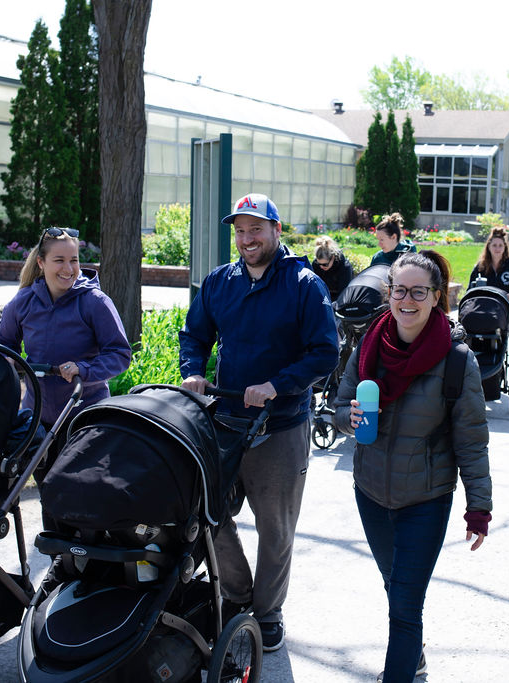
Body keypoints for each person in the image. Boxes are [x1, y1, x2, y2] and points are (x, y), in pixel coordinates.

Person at [179, 193, 339, 652]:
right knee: (209, 514)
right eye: (240, 231)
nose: (246, 239)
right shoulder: (220, 282)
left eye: (255, 229)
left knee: (276, 529)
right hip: (225, 421)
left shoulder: (304, 285)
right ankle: (236, 595)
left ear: (275, 229)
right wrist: (193, 368)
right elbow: (195, 333)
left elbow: (324, 353)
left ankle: (267, 613)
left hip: (280, 427)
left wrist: (277, 384)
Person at [333, 251, 492, 683]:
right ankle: (415, 651)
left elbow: (472, 442)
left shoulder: (457, 361)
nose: (407, 300)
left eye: (418, 291)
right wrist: (350, 418)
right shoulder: (369, 345)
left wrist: (478, 508)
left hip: (425, 498)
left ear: (437, 297)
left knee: (404, 605)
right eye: (399, 290)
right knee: (396, 588)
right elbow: (336, 406)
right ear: (389, 294)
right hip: (370, 492)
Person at [0, 226, 132, 433]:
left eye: (73, 260)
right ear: (41, 262)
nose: (68, 269)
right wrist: (6, 357)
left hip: (86, 418)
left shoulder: (95, 302)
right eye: (59, 260)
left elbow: (119, 354)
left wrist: (83, 370)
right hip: (35, 416)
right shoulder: (23, 301)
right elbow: (3, 343)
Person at [468, 226, 509, 304]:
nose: (497, 249)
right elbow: (470, 290)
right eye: (494, 245)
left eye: (500, 245)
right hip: (483, 308)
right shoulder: (481, 267)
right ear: (488, 247)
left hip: (504, 308)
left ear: (505, 247)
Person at [312, 234, 355, 301]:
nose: (321, 266)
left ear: (333, 257)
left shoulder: (344, 267)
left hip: (340, 299)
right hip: (322, 298)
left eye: (325, 264)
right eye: (319, 263)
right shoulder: (316, 265)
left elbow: (344, 294)